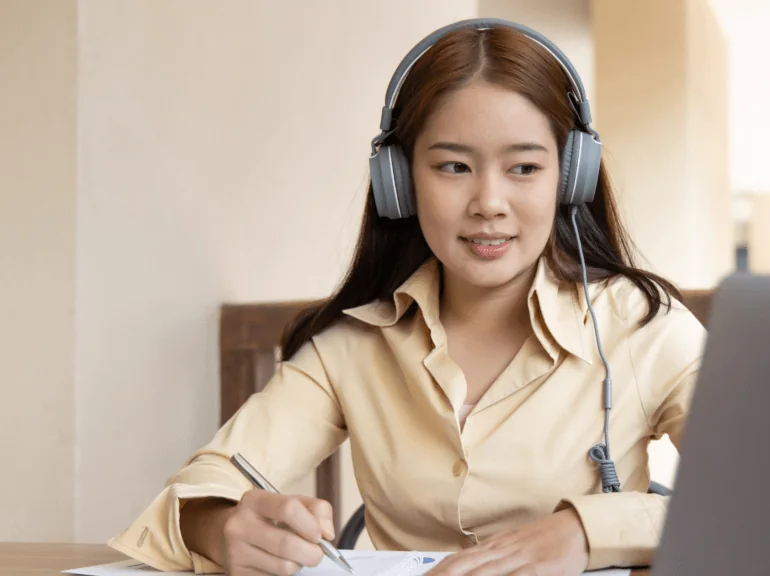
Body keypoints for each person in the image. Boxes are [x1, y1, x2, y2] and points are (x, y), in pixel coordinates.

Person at [109, 18, 705, 576]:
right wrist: (220, 527)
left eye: (524, 168)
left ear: (569, 178)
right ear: (399, 181)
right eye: (453, 167)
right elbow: (203, 485)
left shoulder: (645, 328)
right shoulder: (351, 347)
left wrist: (583, 532)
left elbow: (766, 489)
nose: (489, 202)